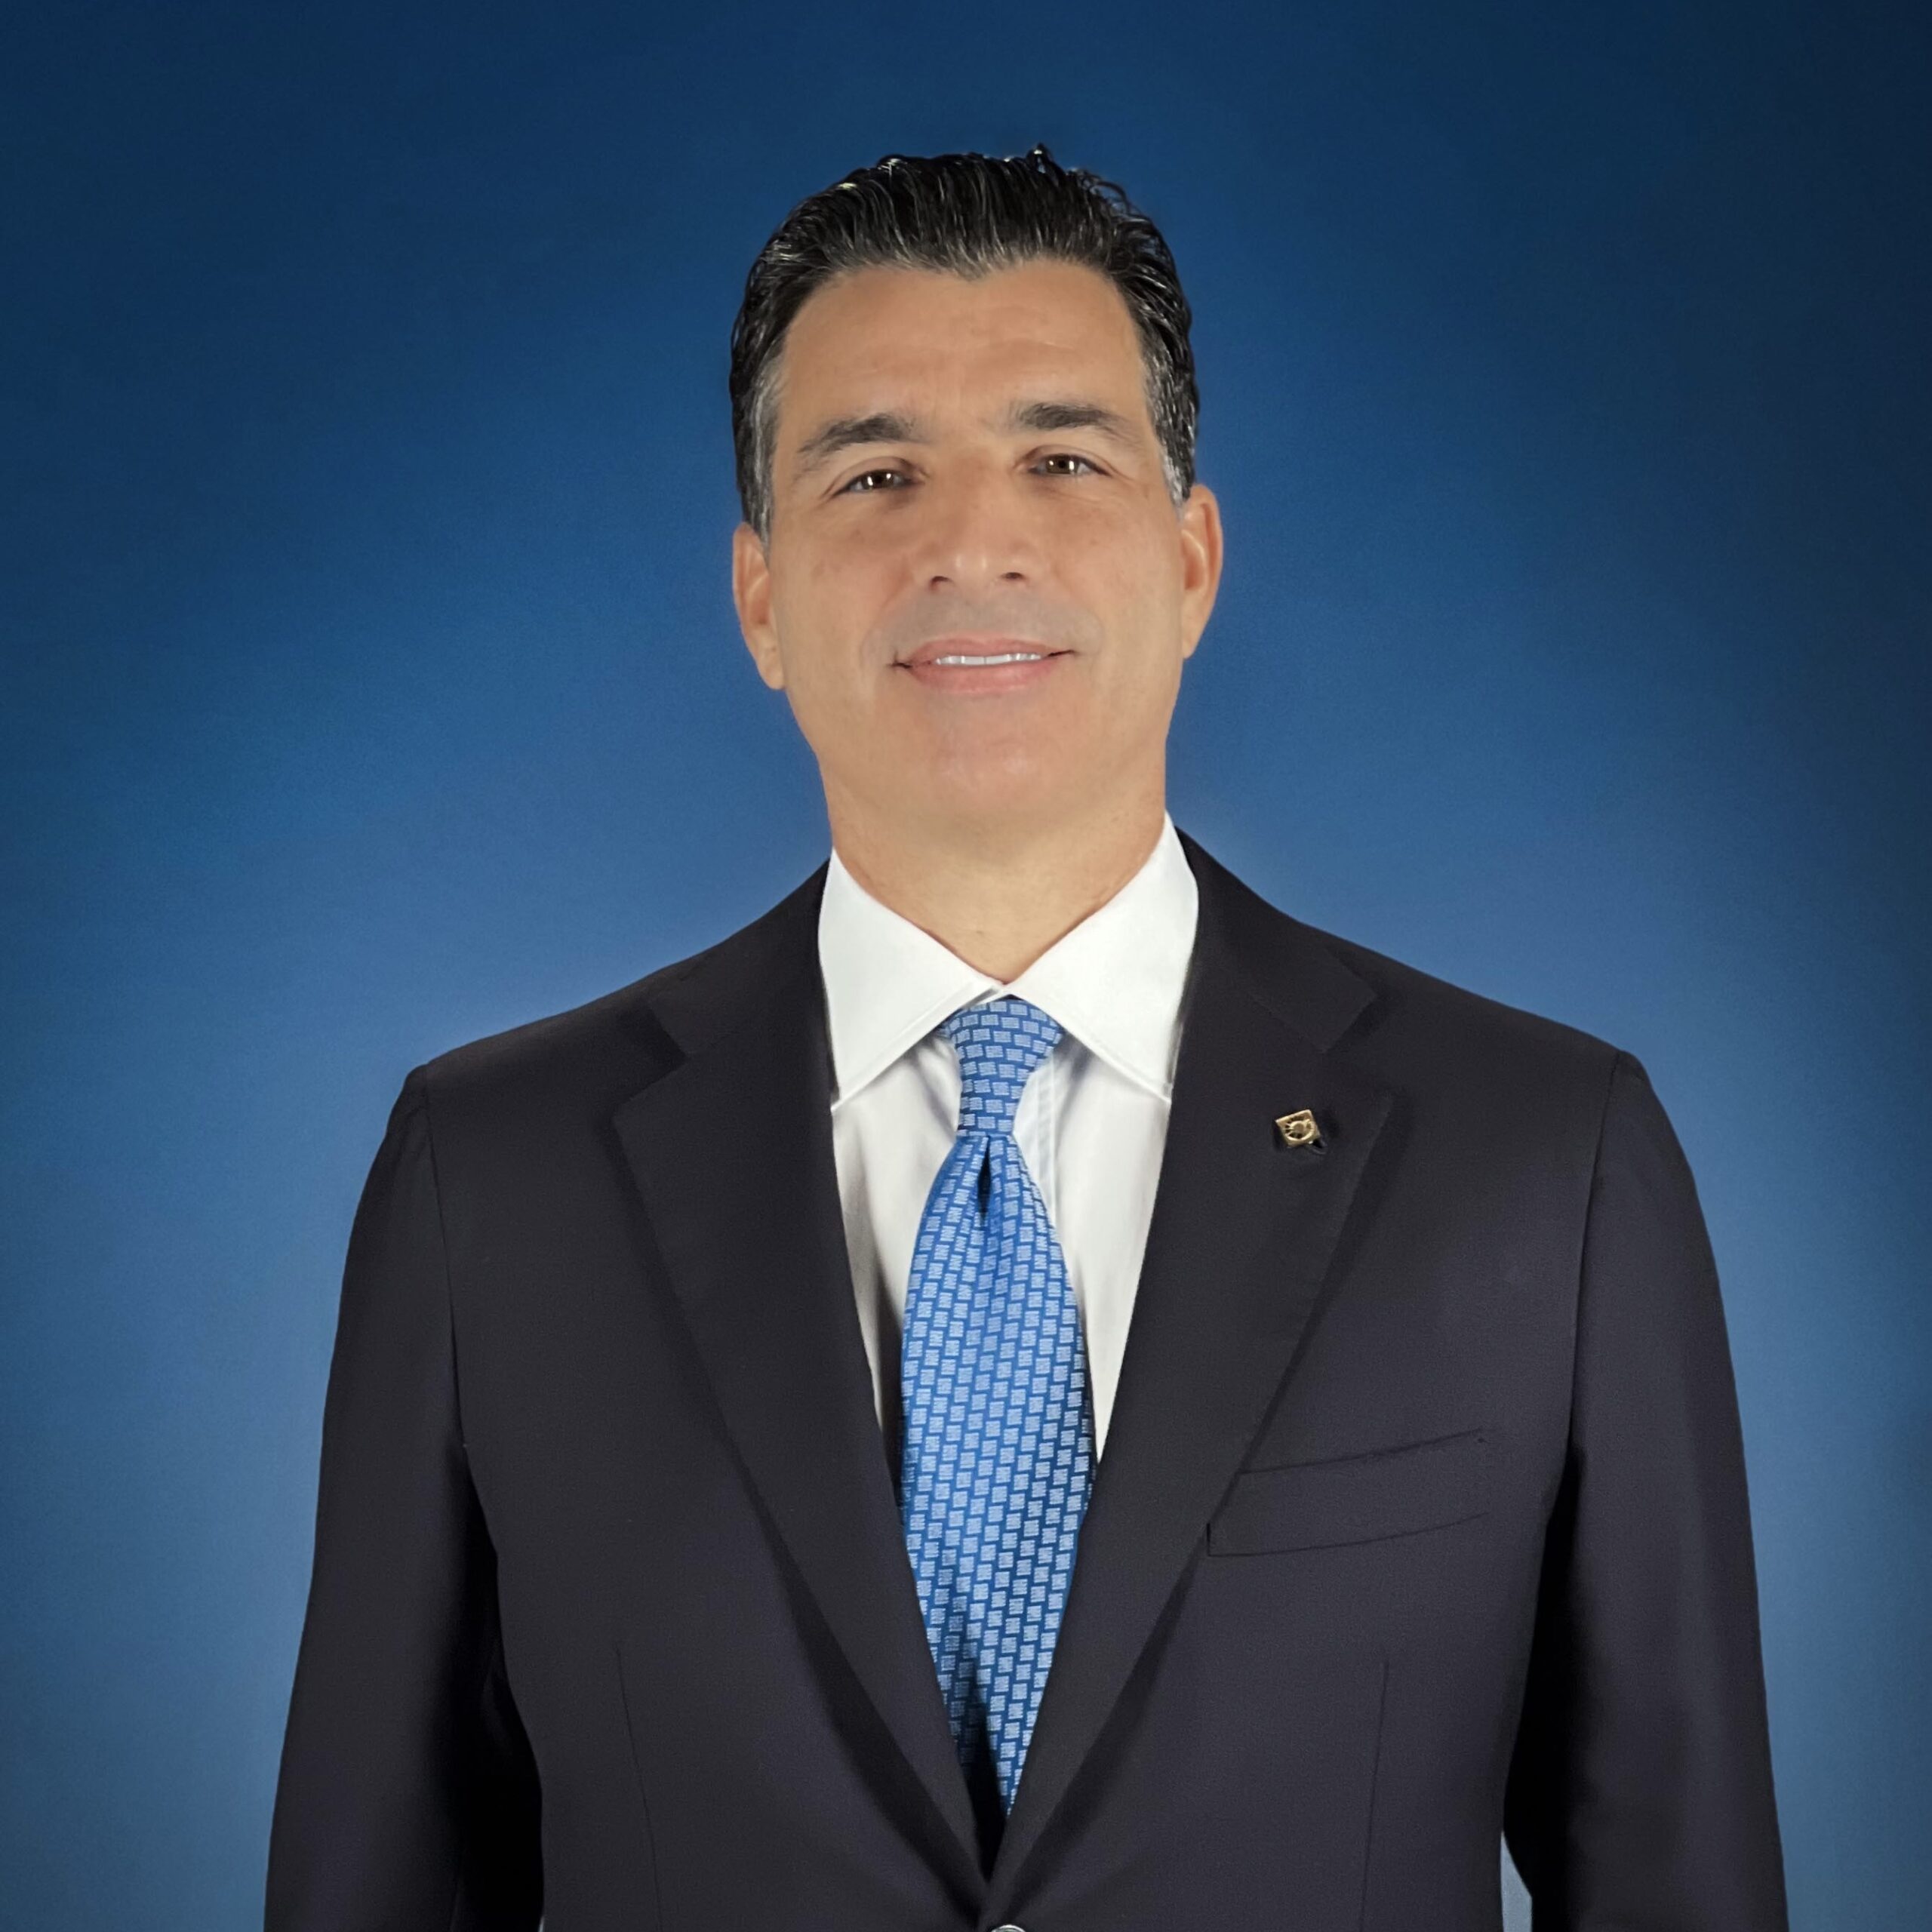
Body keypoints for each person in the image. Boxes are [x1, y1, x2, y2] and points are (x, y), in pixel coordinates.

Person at [264, 145, 1789, 1931]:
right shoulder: (491, 1180)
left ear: (1190, 559)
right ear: (759, 597)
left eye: (1059, 460)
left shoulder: (1542, 1156)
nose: (968, 543)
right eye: (874, 472)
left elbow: (1677, 1879)